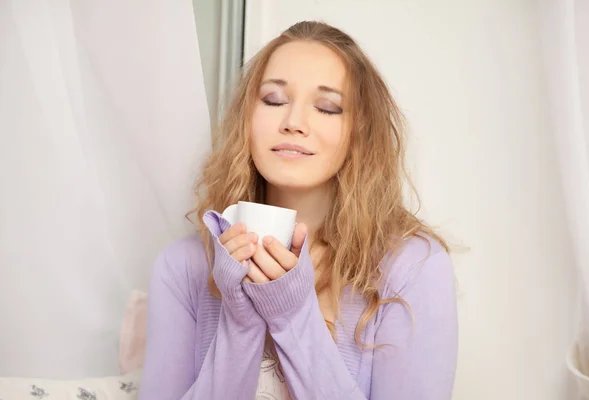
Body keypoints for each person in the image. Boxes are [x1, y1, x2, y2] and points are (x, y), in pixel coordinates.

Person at [139, 21, 458, 400]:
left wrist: (293, 315)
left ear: (359, 134)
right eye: (273, 100)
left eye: (327, 108)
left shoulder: (413, 267)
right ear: (247, 121)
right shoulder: (183, 266)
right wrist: (240, 322)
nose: (293, 123)